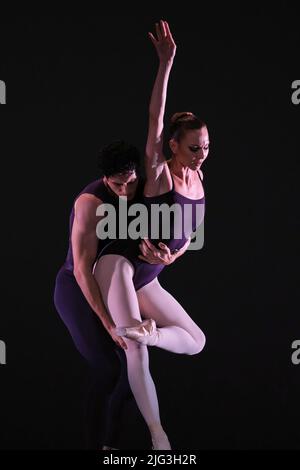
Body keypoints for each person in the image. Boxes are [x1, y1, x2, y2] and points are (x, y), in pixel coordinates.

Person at [92, 20, 209, 450]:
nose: (201, 154)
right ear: (173, 147)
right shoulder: (161, 175)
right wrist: (166, 63)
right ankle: (159, 436)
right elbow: (155, 118)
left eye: (206, 146)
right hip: (118, 263)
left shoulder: (199, 180)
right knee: (131, 349)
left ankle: (152, 333)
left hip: (147, 274)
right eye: (193, 147)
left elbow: (187, 237)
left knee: (195, 342)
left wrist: (169, 259)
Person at [54, 141, 188, 450]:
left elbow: (186, 230)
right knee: (108, 369)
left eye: (130, 182)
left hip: (114, 282)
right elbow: (81, 270)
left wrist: (171, 256)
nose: (126, 190)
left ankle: (110, 446)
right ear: (105, 179)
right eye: (118, 184)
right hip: (78, 289)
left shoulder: (145, 189)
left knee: (133, 370)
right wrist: (106, 322)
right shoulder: (91, 203)